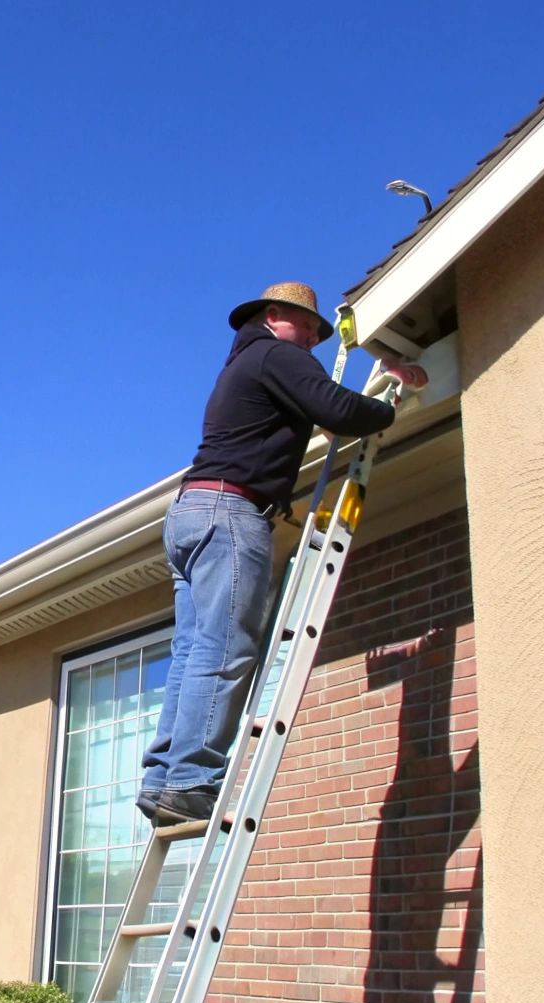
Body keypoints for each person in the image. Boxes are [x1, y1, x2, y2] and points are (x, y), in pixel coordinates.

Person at [138, 281, 427, 826]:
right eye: (309, 330)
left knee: (193, 651)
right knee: (224, 649)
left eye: (321, 335)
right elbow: (337, 408)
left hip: (190, 515)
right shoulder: (277, 353)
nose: (314, 343)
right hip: (229, 514)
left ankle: (163, 779)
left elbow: (312, 411)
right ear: (275, 316)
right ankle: (191, 777)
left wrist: (369, 381)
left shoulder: (247, 364)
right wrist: (389, 402)